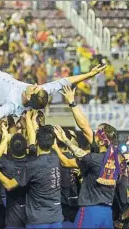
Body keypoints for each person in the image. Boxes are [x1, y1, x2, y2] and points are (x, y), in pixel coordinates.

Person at [54, 86, 127, 228]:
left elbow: (67, 161)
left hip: (90, 211)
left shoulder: (94, 159)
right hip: (107, 212)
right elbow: (85, 127)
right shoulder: (119, 158)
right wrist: (73, 103)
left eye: (97, 132)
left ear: (101, 140)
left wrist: (63, 141)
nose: (93, 132)